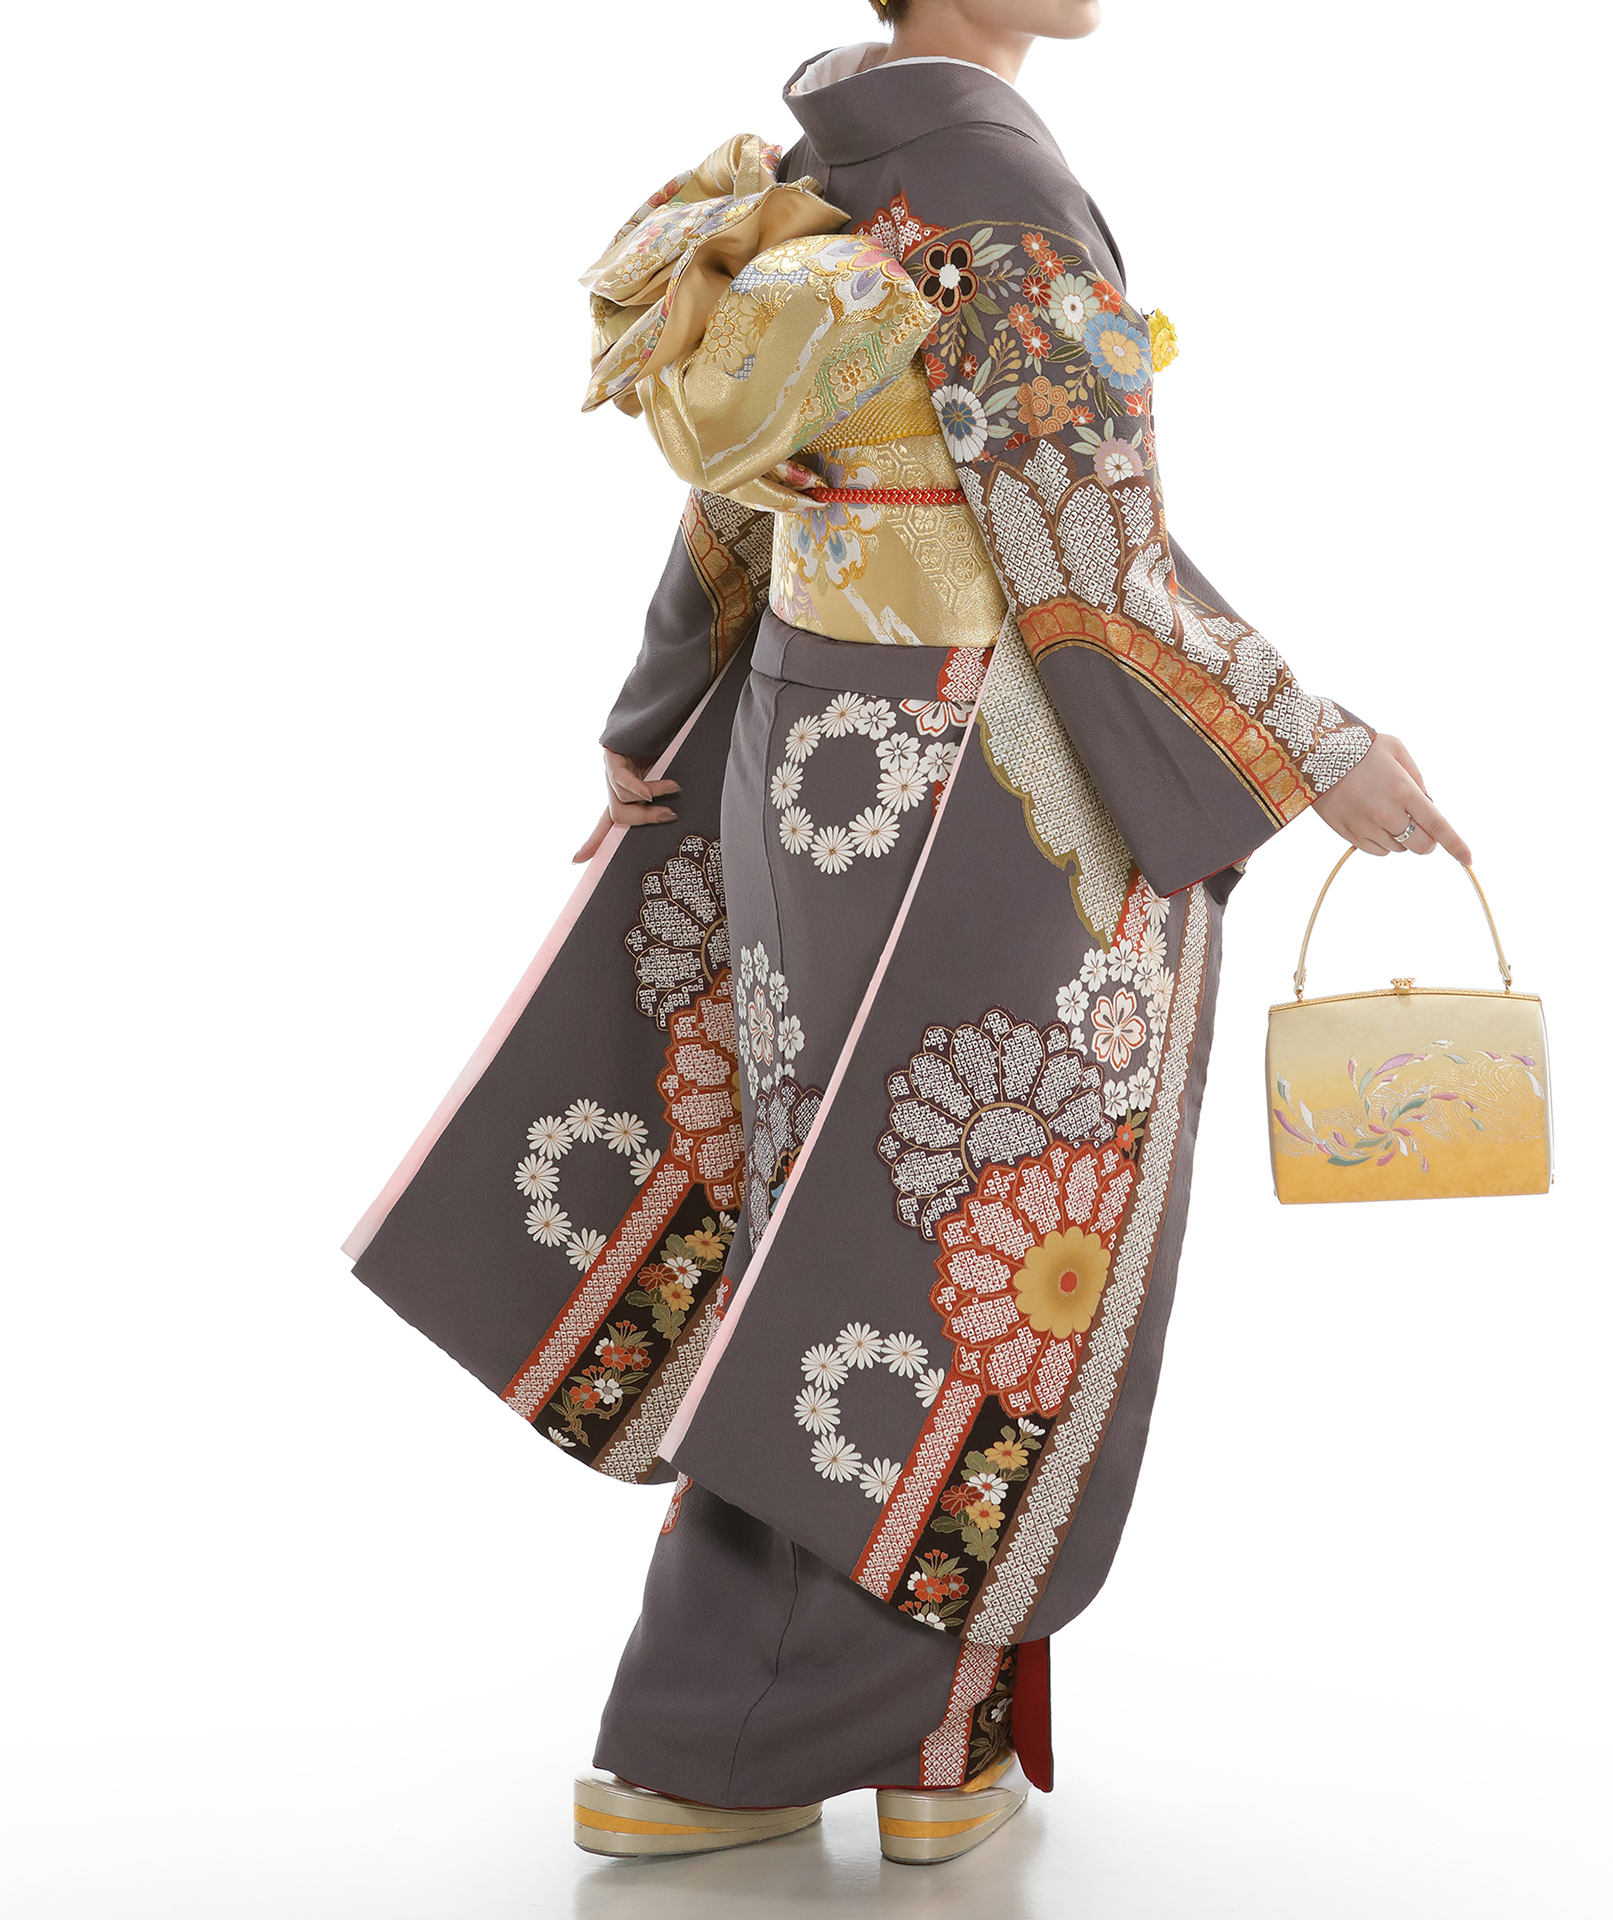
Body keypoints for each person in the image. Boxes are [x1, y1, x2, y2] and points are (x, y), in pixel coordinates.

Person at [348, 0, 1470, 1870]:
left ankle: (922, 1745)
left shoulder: (842, 148)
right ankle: (734, 1740)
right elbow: (1088, 558)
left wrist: (659, 706)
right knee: (952, 1249)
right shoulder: (997, 187)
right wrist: (1321, 746)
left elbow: (741, 496)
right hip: (986, 778)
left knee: (851, 1223)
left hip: (816, 750)